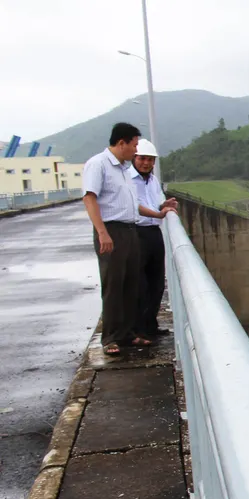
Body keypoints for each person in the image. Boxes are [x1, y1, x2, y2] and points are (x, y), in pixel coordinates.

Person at [81, 122, 167, 356]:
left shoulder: (122, 170)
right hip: (112, 230)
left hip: (131, 230)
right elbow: (89, 199)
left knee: (132, 285)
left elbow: (134, 205)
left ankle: (128, 334)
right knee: (114, 285)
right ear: (122, 143)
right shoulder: (98, 164)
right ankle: (110, 337)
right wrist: (102, 233)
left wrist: (158, 213)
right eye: (134, 145)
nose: (135, 150)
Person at [130, 139, 176, 340]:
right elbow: (136, 206)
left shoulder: (153, 180)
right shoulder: (128, 179)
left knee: (157, 282)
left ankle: (151, 324)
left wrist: (163, 204)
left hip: (153, 233)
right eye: (142, 159)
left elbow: (155, 202)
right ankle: (139, 328)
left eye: (150, 159)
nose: (146, 163)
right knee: (140, 284)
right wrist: (158, 213)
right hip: (137, 233)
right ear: (134, 158)